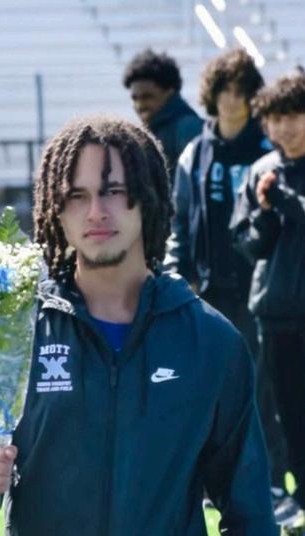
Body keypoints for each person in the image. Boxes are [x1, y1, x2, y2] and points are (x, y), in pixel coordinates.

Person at [0, 115, 277, 535]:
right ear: (56, 210)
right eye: (77, 195)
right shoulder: (16, 328)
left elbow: (250, 511)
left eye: (113, 191)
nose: (96, 212)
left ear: (148, 198)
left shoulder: (210, 341)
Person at [164, 48, 289, 505]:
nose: (232, 101)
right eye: (225, 91)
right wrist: (177, 273)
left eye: (241, 92)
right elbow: (180, 220)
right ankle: (211, 482)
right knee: (207, 387)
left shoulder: (269, 151)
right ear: (212, 96)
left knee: (262, 391)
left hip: (260, 290)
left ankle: (270, 480)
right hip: (208, 288)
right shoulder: (195, 153)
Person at [231, 73, 305, 530]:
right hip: (275, 314)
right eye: (274, 119)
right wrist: (264, 216)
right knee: (284, 413)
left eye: (293, 116)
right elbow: (246, 243)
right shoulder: (261, 171)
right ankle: (293, 496)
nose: (284, 127)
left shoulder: (280, 181)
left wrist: (288, 204)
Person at [123, 48, 202, 180]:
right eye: (135, 98)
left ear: (169, 91)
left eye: (147, 97)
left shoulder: (188, 128)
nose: (140, 105)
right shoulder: (152, 130)